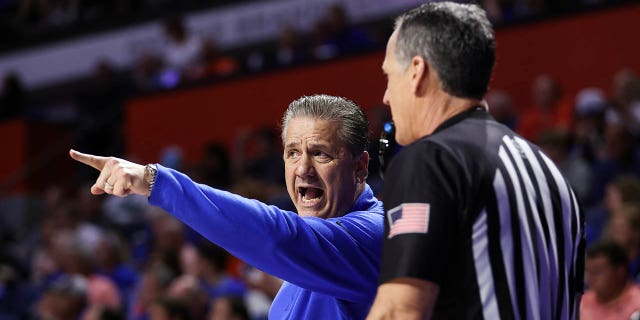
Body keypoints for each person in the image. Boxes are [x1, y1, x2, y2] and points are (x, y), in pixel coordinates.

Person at [70, 94, 384, 319]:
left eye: (321, 154)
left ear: (360, 167)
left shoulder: (376, 233)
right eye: (292, 153)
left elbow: (279, 236)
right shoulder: (298, 273)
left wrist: (157, 182)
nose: (302, 169)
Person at [367, 2, 584, 319]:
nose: (386, 96)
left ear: (417, 71)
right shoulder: (550, 171)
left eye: (388, 75)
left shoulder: (430, 159)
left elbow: (399, 310)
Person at [581, 241, 640, 320]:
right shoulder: (581, 303)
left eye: (597, 271)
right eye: (588, 271)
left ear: (620, 271)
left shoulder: (637, 303)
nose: (590, 277)